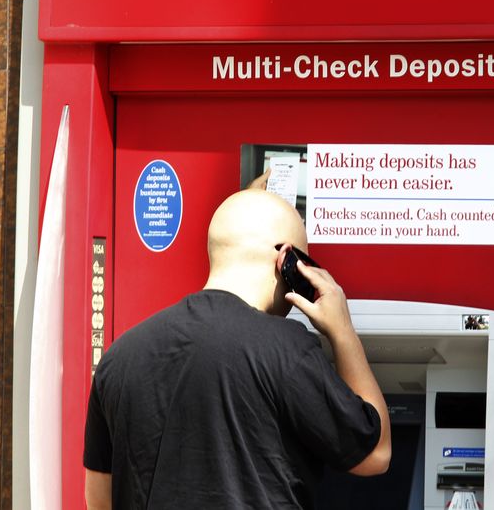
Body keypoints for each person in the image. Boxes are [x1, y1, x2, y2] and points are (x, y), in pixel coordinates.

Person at [83, 189, 391, 509]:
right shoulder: (287, 347)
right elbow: (375, 454)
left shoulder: (119, 358)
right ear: (288, 261)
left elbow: (98, 499)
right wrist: (343, 332)